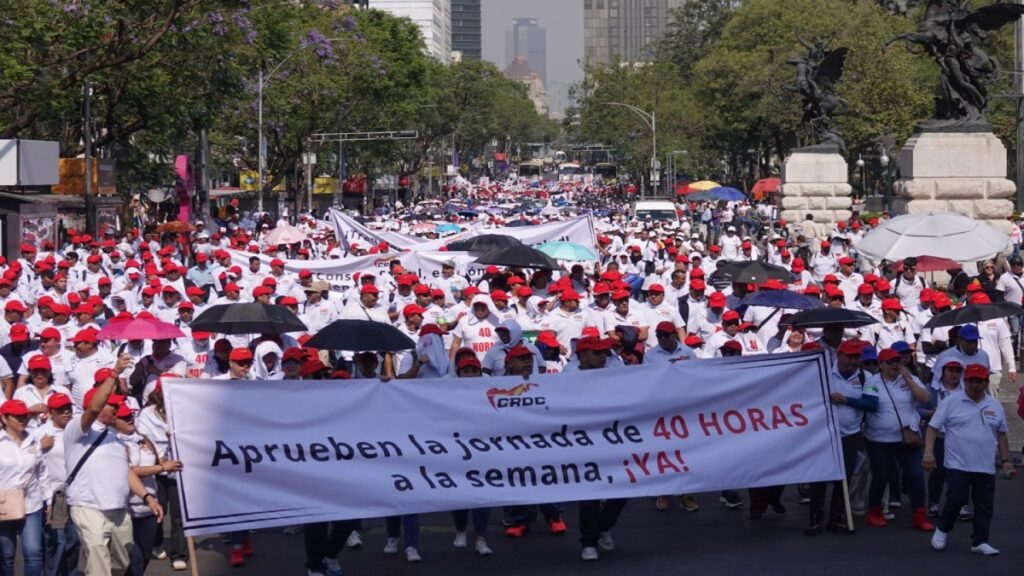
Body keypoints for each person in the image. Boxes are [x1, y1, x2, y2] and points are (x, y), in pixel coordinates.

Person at [64, 354, 163, 576]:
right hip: (88, 507)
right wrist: (114, 373)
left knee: (121, 562)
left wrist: (147, 497)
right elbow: (93, 409)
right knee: (98, 560)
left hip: (118, 509)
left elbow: (125, 472)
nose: (119, 408)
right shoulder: (78, 430)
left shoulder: (116, 437)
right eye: (113, 405)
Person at [925, 363, 1014, 555]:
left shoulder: (995, 405)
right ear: (965, 381)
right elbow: (932, 428)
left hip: (985, 465)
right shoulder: (951, 402)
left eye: (979, 381)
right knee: (957, 498)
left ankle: (980, 541)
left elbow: (1002, 434)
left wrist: (1006, 460)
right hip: (958, 463)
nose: (975, 385)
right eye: (971, 381)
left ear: (986, 382)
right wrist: (929, 452)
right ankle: (942, 529)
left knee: (984, 505)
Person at [806, 339, 877, 535]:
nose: (853, 361)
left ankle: (836, 518)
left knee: (844, 478)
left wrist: (846, 400)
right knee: (819, 477)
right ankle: (815, 518)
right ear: (838, 355)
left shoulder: (865, 377)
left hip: (851, 435)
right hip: (825, 434)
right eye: (849, 357)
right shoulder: (824, 373)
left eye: (856, 357)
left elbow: (872, 404)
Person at [862, 348, 933, 531]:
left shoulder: (909, 378)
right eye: (890, 362)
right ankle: (874, 512)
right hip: (879, 439)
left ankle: (919, 515)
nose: (895, 365)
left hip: (907, 437)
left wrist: (908, 379)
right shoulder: (872, 382)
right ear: (880, 365)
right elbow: (870, 403)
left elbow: (925, 398)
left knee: (916, 475)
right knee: (881, 476)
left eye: (897, 361)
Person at [575, 337, 628, 561]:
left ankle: (603, 525)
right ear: (582, 356)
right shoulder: (567, 380)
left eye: (604, 353)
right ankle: (589, 542)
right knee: (589, 495)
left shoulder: (613, 378)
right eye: (596, 353)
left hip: (611, 441)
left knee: (624, 488)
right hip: (582, 444)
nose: (602, 357)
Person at [449, 354, 493, 556]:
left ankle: (481, 538)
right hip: (457, 451)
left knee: (482, 495)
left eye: (474, 371)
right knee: (459, 493)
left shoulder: (490, 392)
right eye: (466, 371)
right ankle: (461, 531)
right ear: (459, 374)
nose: (470, 375)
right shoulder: (446, 393)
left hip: (483, 451)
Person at [0, 399, 47, 576]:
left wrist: (49, 499)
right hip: (4, 505)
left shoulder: (33, 440)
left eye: (24, 416)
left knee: (34, 553)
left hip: (31, 504)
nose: (23, 419)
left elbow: (42, 472)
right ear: (4, 418)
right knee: (6, 556)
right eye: (17, 416)